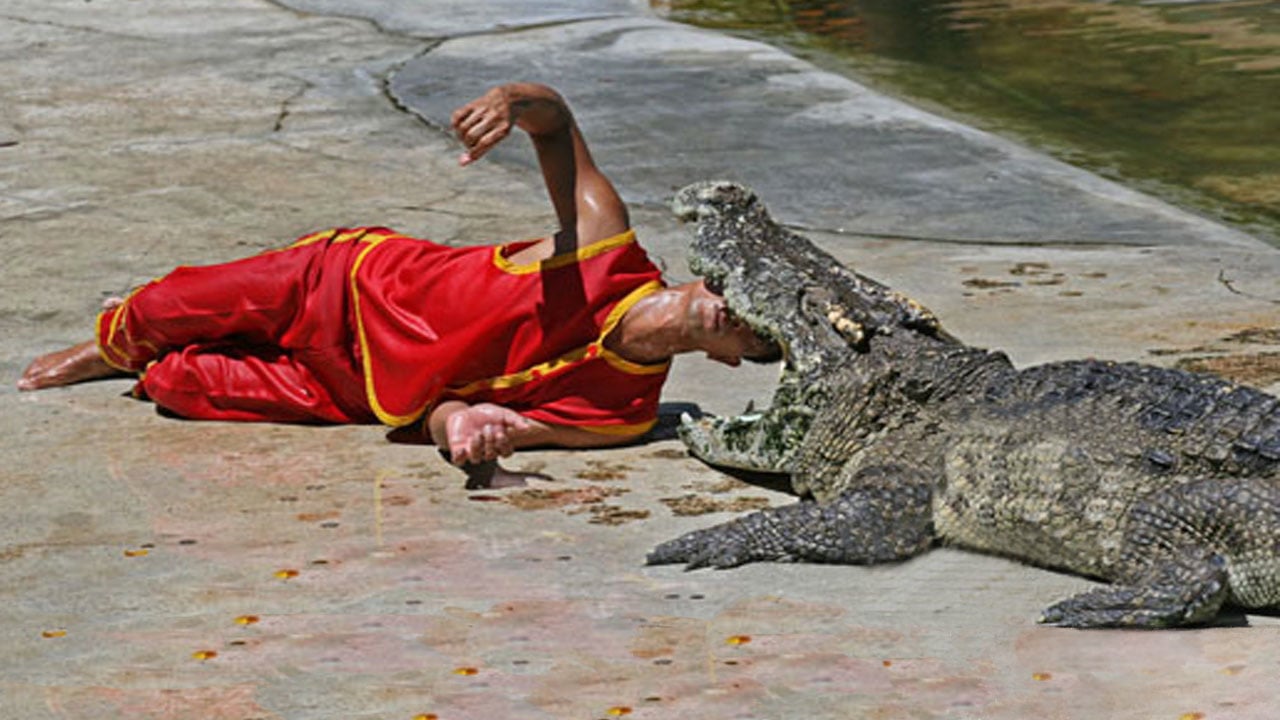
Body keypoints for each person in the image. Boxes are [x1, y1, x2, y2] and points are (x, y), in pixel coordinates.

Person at [17, 82, 779, 485]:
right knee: (158, 308)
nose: (732, 315)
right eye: (738, 299)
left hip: (359, 395)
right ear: (714, 280)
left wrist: (467, 433)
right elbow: (557, 122)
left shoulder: (622, 415)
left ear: (731, 360)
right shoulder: (603, 245)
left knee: (179, 387)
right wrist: (512, 101)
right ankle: (106, 346)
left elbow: (466, 416)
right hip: (344, 282)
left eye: (750, 330)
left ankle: (144, 360)